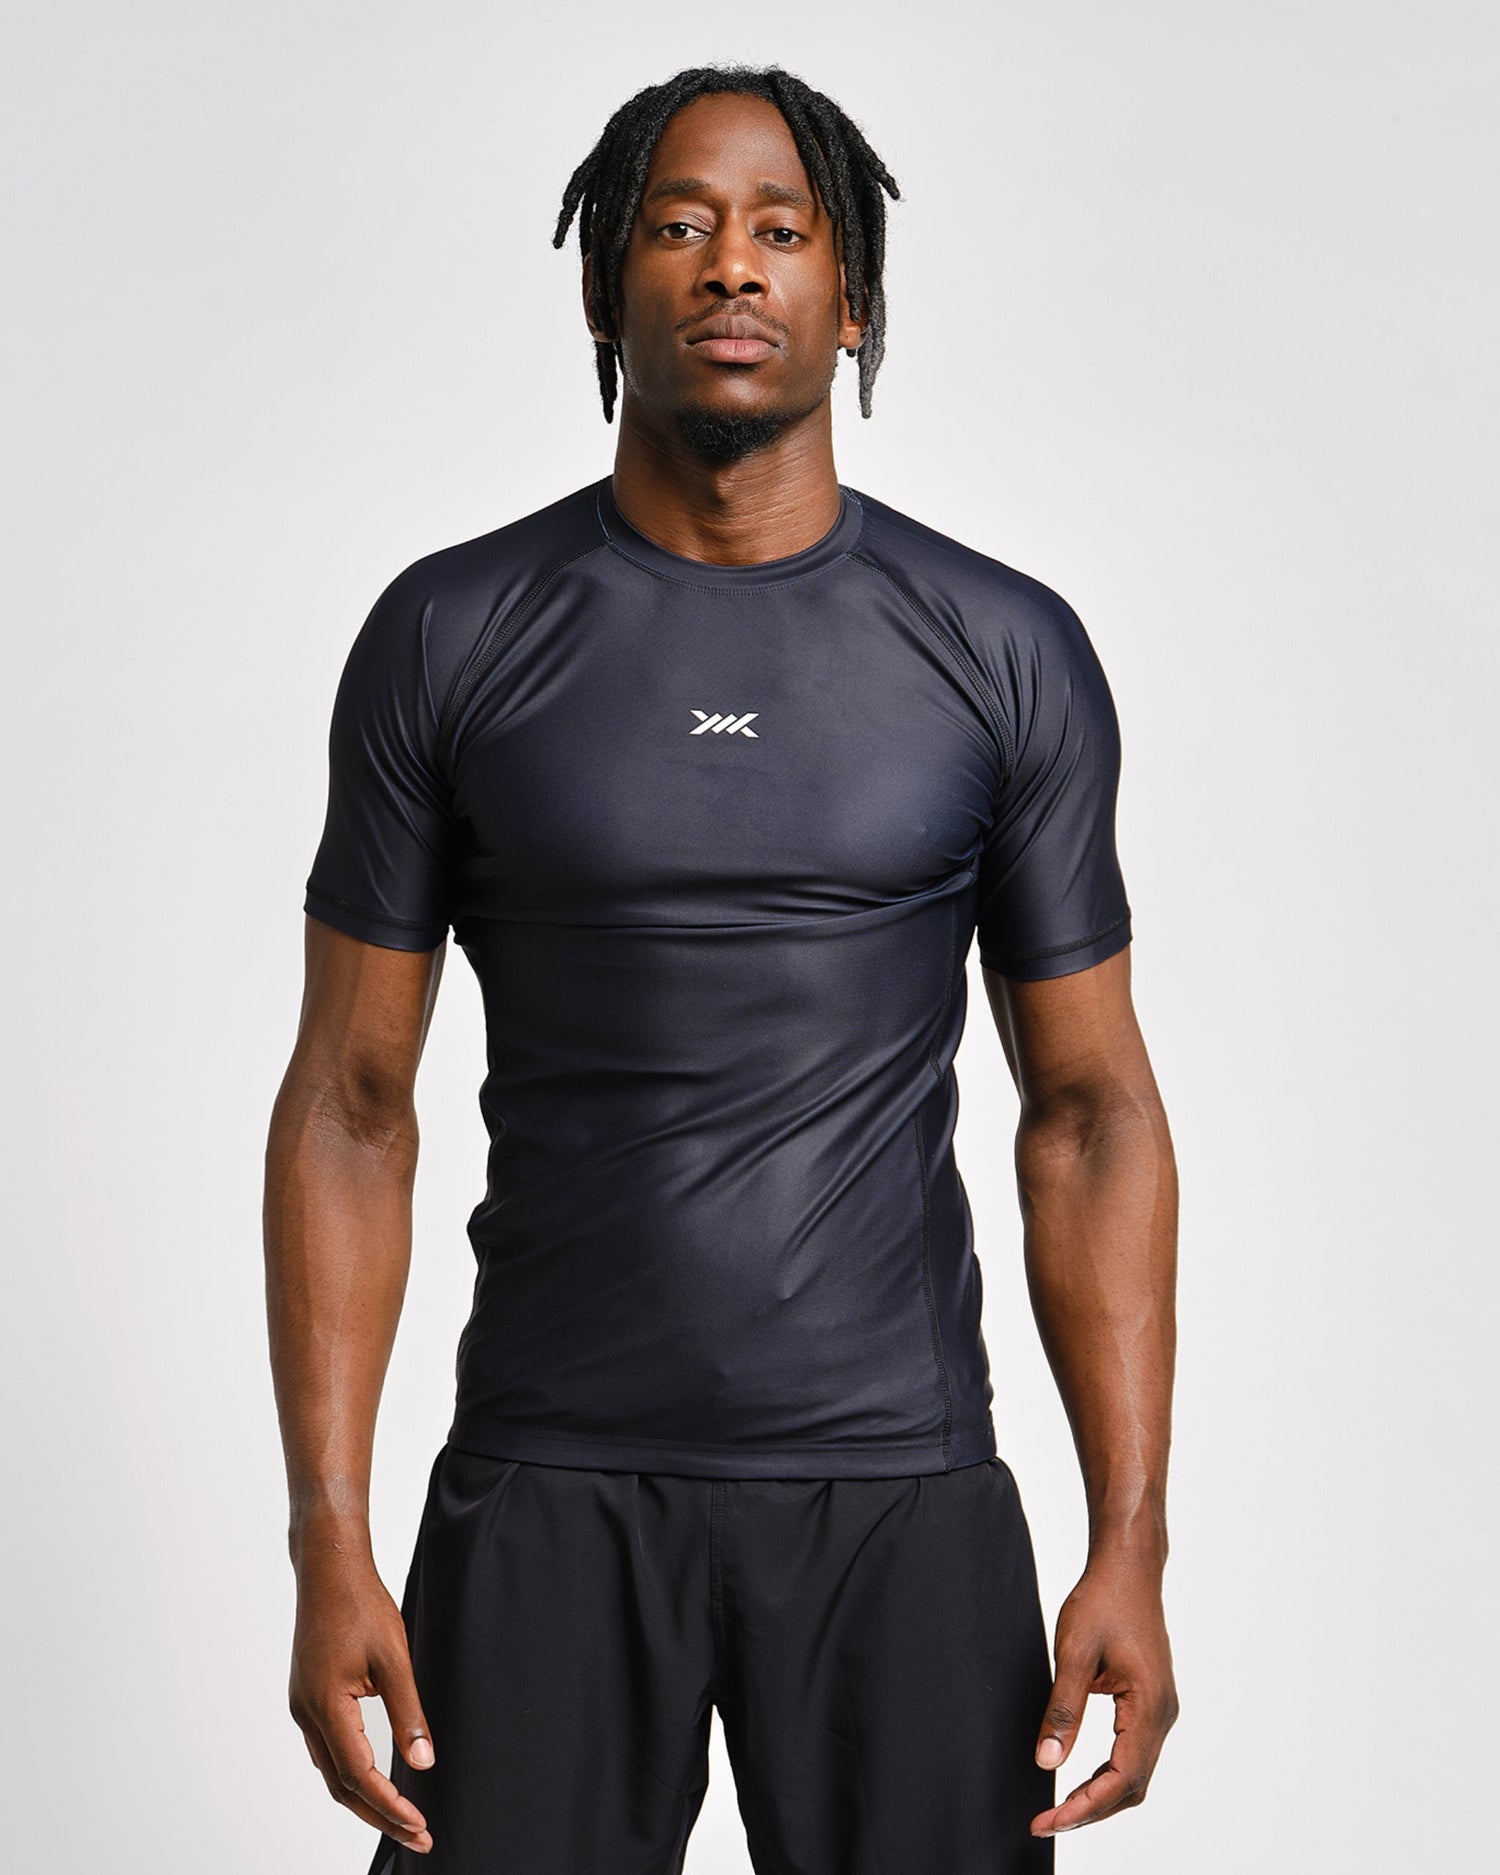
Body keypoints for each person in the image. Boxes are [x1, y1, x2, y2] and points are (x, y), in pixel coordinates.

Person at [264, 61, 1180, 1875]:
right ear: (604, 294)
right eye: (677, 226)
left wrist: (1131, 1541)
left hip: (899, 1492)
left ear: (856, 299)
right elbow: (351, 1106)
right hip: (546, 1478)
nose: (732, 265)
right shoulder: (453, 632)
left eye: (782, 229)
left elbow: (1091, 1115)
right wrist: (328, 1538)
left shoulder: (1002, 647)